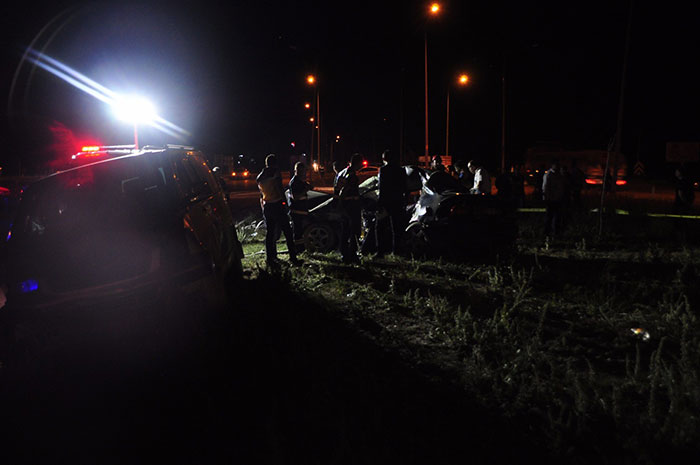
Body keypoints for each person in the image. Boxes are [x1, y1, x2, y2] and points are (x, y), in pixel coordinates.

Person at [256, 154, 300, 266]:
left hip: (267, 206)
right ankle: (293, 257)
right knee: (288, 232)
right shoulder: (275, 174)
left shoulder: (260, 176)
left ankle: (270, 257)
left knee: (270, 233)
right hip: (277, 205)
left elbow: (261, 192)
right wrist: (285, 204)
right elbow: (279, 189)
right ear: (275, 163)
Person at [376, 149, 407, 258]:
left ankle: (380, 252)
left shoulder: (383, 170)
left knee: (380, 228)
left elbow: (382, 188)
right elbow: (405, 187)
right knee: (396, 229)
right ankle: (396, 251)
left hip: (386, 202)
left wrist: (380, 203)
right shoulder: (401, 170)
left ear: (384, 159)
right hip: (398, 202)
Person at [334, 153, 364, 264]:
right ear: (358, 163)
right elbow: (346, 190)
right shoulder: (352, 175)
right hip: (351, 205)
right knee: (354, 230)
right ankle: (352, 254)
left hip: (344, 206)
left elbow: (337, 189)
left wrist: (338, 202)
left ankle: (344, 253)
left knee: (345, 230)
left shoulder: (342, 172)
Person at [288, 162, 312, 252]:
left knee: (301, 232)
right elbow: (296, 197)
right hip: (297, 211)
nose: (302, 173)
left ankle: (301, 248)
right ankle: (298, 250)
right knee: (297, 232)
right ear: (295, 171)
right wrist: (306, 189)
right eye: (300, 170)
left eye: (303, 170)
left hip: (301, 211)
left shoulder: (301, 181)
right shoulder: (294, 182)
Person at [542, 159, 566, 237]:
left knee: (557, 217)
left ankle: (556, 232)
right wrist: (546, 196)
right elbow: (545, 187)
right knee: (549, 216)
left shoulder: (559, 174)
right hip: (551, 199)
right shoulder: (549, 175)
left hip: (558, 198)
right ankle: (547, 232)